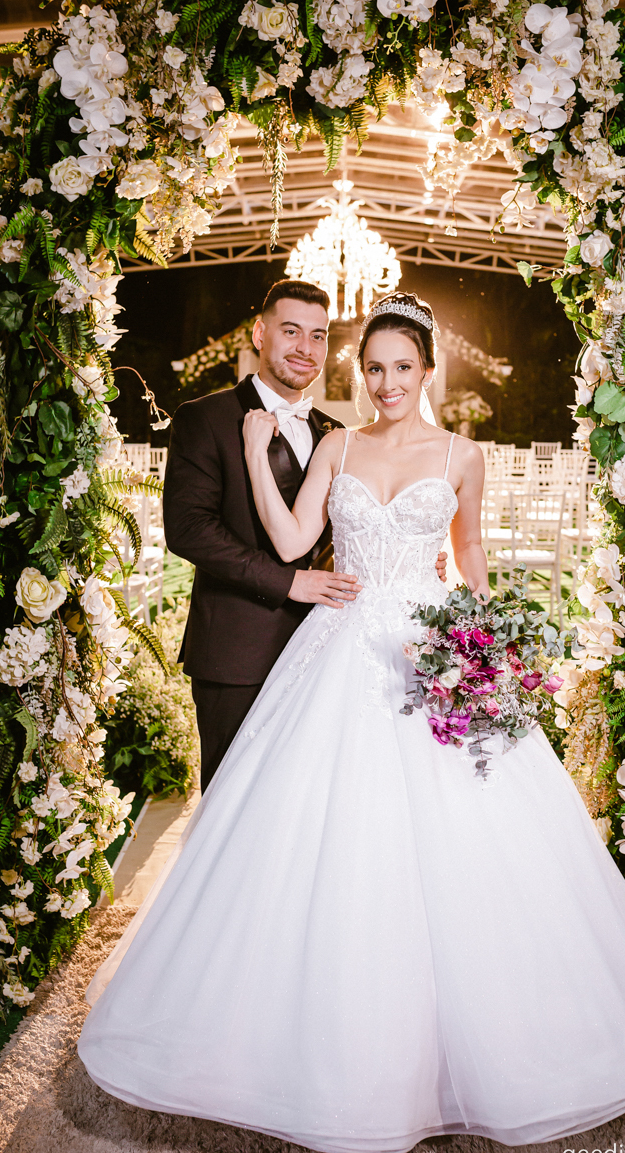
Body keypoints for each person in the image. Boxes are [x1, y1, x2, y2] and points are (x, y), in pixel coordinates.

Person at [79, 292, 625, 1153]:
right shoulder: (337, 444)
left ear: (427, 370)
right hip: (338, 646)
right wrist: (252, 450)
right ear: (362, 373)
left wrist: (486, 639)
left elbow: (469, 551)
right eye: (373, 368)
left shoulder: (463, 454)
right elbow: (290, 543)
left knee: (470, 834)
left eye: (402, 368)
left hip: (429, 648)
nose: (386, 383)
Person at [163, 278, 445, 792]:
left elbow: (346, 527)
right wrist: (288, 582)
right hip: (239, 652)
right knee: (233, 802)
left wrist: (410, 553)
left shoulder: (332, 431)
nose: (305, 348)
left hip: (326, 652)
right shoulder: (205, 418)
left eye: (318, 336)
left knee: (309, 805)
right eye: (291, 331)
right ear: (259, 333)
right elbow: (189, 530)